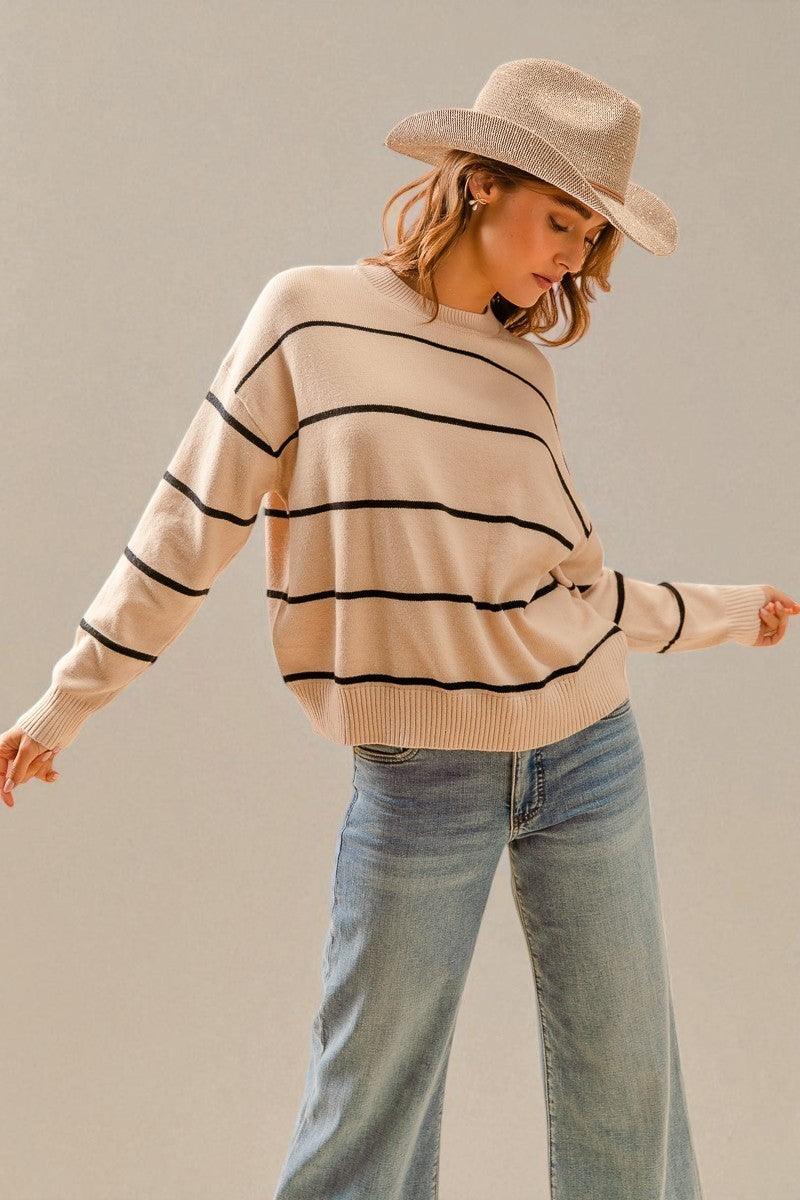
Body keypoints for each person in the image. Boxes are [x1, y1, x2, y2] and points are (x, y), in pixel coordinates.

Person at [2, 56, 797, 1199]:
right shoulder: (306, 318)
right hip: (421, 774)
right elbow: (185, 530)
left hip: (585, 751)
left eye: (589, 239)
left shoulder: (523, 377)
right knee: (362, 1117)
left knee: (629, 1100)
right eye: (560, 220)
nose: (571, 258)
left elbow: (564, 591)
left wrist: (725, 613)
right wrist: (64, 703)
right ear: (480, 182)